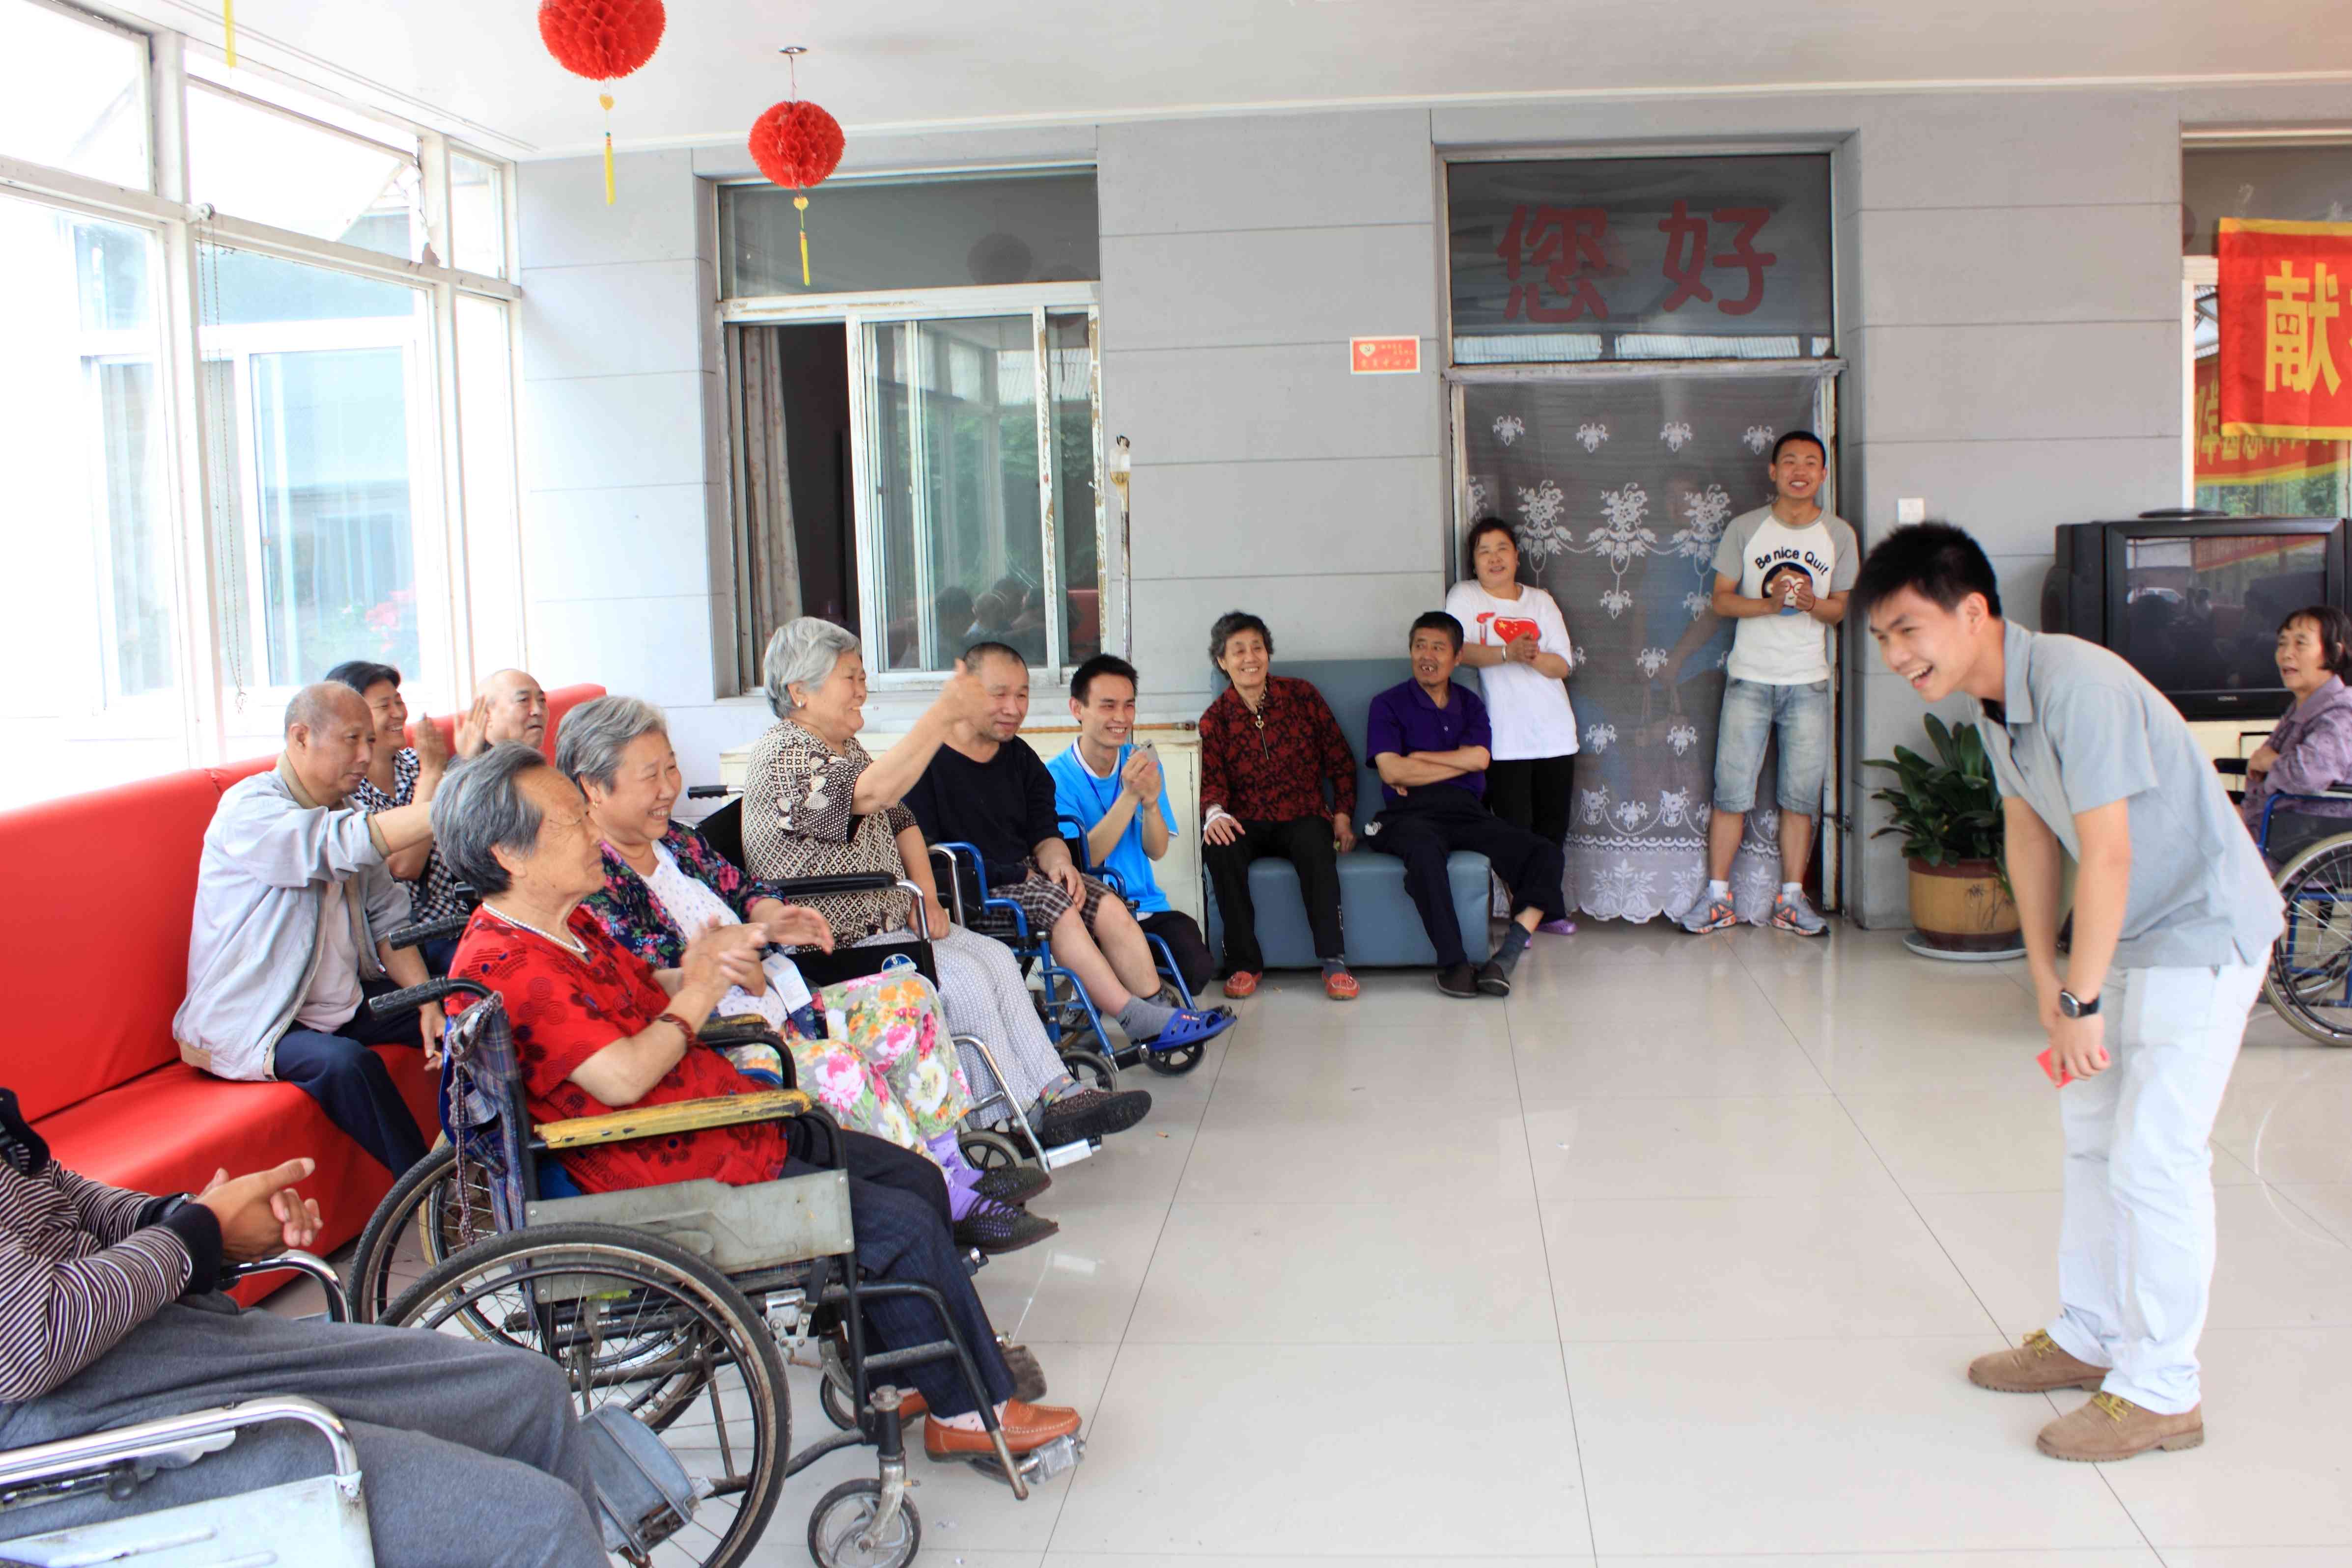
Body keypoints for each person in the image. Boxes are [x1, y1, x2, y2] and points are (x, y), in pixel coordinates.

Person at [437, 744, 1084, 1459]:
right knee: (898, 1225)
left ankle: (901, 1374)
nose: (593, 830)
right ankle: (969, 1414)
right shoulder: (514, 966)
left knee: (915, 1177)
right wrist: (703, 990)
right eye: (571, 820)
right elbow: (621, 1077)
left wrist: (701, 964)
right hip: (664, 1165)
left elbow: (643, 989)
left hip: (709, 1119)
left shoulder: (562, 927)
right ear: (510, 854)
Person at [1855, 522, 2284, 1464]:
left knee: (2153, 1157)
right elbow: (2028, 833)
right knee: (2091, 1136)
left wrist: (2081, 999)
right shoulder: (1993, 701)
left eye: (1906, 630)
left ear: (1972, 611)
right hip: (2122, 929)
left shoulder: (2075, 684)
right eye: (1881, 638)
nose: (1893, 656)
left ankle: (2163, 1388)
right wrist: (2048, 978)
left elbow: (2111, 852)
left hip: (2197, 931)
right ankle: (2090, 1334)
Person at [0, 1088, 607, 1566]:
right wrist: (199, 1233)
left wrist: (193, 1217)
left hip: (165, 1345)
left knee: (531, 1391)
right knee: (542, 1524)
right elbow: (32, 1340)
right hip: (69, 1431)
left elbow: (62, 1202)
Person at [557, 694, 1055, 1252]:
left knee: (909, 996)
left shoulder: (675, 840)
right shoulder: (593, 879)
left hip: (780, 1004)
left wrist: (774, 916)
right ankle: (934, 1196)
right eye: (649, 775)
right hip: (722, 1046)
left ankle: (951, 1163)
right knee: (842, 1065)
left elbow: (744, 890)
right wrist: (733, 953)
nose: (669, 787)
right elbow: (647, 972)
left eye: (671, 767)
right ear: (594, 788)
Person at [742, 618, 1152, 1151]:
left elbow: (901, 818)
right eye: (851, 678)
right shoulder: (786, 752)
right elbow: (870, 796)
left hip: (890, 918)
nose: (863, 690)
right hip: (834, 940)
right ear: (800, 690)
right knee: (964, 980)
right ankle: (1011, 1114)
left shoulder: (843, 746)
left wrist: (927, 896)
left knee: (995, 959)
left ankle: (1055, 1092)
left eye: (863, 676)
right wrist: (943, 713)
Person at [904, 641, 1236, 1058]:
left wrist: (1061, 863)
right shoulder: (927, 762)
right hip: (971, 888)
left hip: (1030, 875)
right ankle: (1134, 1016)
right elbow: (925, 852)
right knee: (1056, 902)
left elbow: (1045, 831)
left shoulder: (1021, 758)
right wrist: (1022, 874)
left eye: (1022, 695)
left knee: (1105, 901)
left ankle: (1159, 1010)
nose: (1013, 707)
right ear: (966, 689)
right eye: (999, 694)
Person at [174, 684, 440, 1176]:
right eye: (352, 739)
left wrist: (428, 1004)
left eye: (370, 740)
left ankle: (491, 1161)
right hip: (257, 1018)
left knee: (465, 1007)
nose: (366, 755)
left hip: (337, 1004)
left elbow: (388, 922)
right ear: (300, 737)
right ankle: (428, 1196)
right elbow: (328, 847)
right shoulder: (248, 808)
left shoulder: (348, 812)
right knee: (350, 1066)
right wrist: (444, 808)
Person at [1681, 430, 1857, 938]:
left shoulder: (1839, 534)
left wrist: (1811, 603)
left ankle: (1792, 902)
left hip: (1808, 682)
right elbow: (1720, 600)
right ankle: (1718, 899)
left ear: (1824, 474)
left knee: (1800, 797)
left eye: (1811, 463)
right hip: (1750, 679)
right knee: (1731, 791)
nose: (1800, 471)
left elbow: (1840, 610)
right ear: (1773, 471)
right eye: (1790, 462)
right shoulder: (1746, 528)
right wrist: (1769, 603)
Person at [1365, 613, 1571, 1000]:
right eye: (1420, 646)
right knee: (1424, 852)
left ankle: (1506, 957)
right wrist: (1455, 761)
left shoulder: (1470, 704)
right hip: (1408, 814)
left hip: (1466, 811)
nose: (1427, 655)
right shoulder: (1387, 703)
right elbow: (1392, 769)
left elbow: (1480, 759)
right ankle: (1454, 964)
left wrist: (1419, 759)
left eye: (1438, 647)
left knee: (1545, 853)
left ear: (1457, 657)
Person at [1197, 611, 1361, 1001]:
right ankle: (1243, 963)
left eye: (1257, 647)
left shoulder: (1302, 696)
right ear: (1222, 661)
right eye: (1238, 650)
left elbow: (1340, 758)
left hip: (1302, 813)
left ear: (1268, 653)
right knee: (1219, 846)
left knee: (1315, 843)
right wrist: (1214, 814)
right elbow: (1211, 781)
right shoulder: (1215, 720)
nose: (1249, 657)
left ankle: (1334, 961)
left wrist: (1342, 815)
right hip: (1245, 819)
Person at [1046, 654, 1215, 997]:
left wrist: (1150, 803)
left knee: (1197, 969)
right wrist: (1130, 797)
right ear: (1077, 708)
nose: (1121, 718)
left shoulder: (1141, 761)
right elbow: (1082, 859)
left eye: (1129, 705)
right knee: (1106, 951)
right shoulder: (1054, 777)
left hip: (1145, 906)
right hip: (1091, 912)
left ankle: (1111, 981)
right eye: (1108, 706)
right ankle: (1111, 982)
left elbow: (1157, 849)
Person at [1444, 518, 1579, 935]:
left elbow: (1563, 664)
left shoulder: (1540, 601)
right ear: (1473, 562)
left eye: (1502, 548)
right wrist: (1507, 652)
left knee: (1552, 830)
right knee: (1513, 831)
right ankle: (1524, 913)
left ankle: (1547, 912)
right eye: (1484, 551)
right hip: (1504, 737)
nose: (1494, 558)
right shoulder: (1466, 596)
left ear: (1517, 556)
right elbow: (1456, 649)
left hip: (1555, 732)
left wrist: (1529, 655)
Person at [326, 660, 484, 973]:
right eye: (385, 706)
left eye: (399, 701)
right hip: (402, 944)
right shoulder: (345, 791)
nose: (399, 713)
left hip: (457, 921)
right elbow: (404, 867)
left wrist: (466, 760)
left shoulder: (415, 762)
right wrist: (434, 773)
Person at [2239, 604, 2352, 863]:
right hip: (2277, 829)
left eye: (2300, 644)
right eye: (2282, 644)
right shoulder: (2305, 707)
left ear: (2334, 652)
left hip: (2304, 841)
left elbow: (2310, 774)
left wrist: (2269, 762)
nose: (2286, 654)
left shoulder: (2342, 712)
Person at [458, 667, 550, 757]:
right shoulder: (471, 761)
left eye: (542, 700)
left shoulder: (536, 763)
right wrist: (470, 759)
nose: (538, 711)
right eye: (524, 700)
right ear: (487, 715)